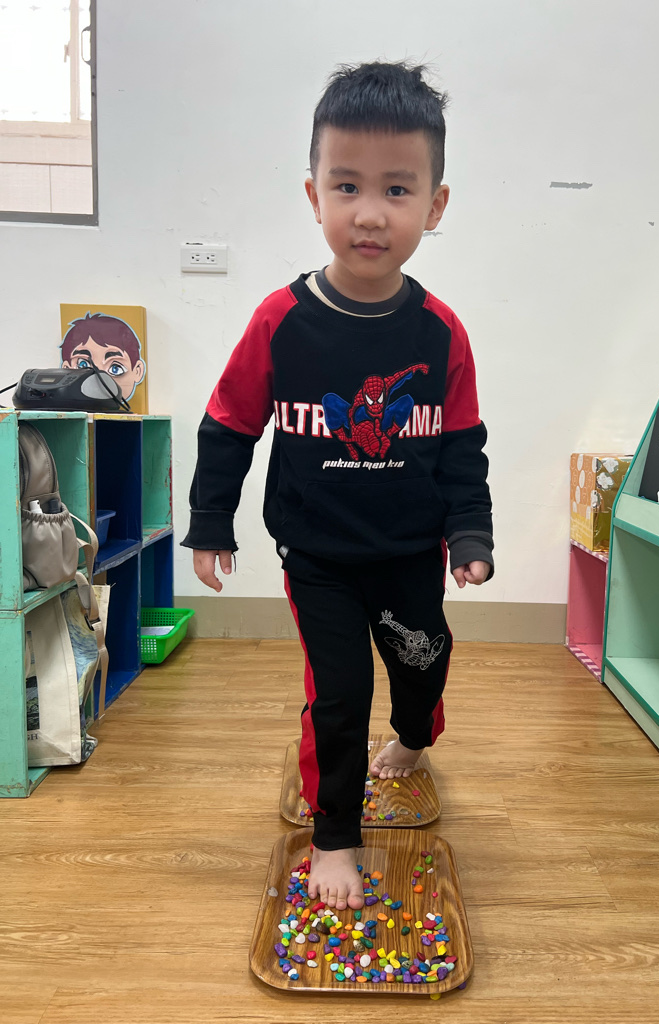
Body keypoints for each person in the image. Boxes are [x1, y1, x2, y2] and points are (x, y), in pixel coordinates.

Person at [182, 60, 493, 912]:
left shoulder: (441, 333)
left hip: (410, 552)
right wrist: (211, 521)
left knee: (420, 666)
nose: (369, 212)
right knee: (339, 693)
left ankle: (416, 736)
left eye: (397, 189)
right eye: (347, 185)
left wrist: (470, 532)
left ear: (435, 205)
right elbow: (229, 423)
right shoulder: (280, 321)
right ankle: (335, 837)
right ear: (313, 194)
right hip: (316, 554)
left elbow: (462, 444)